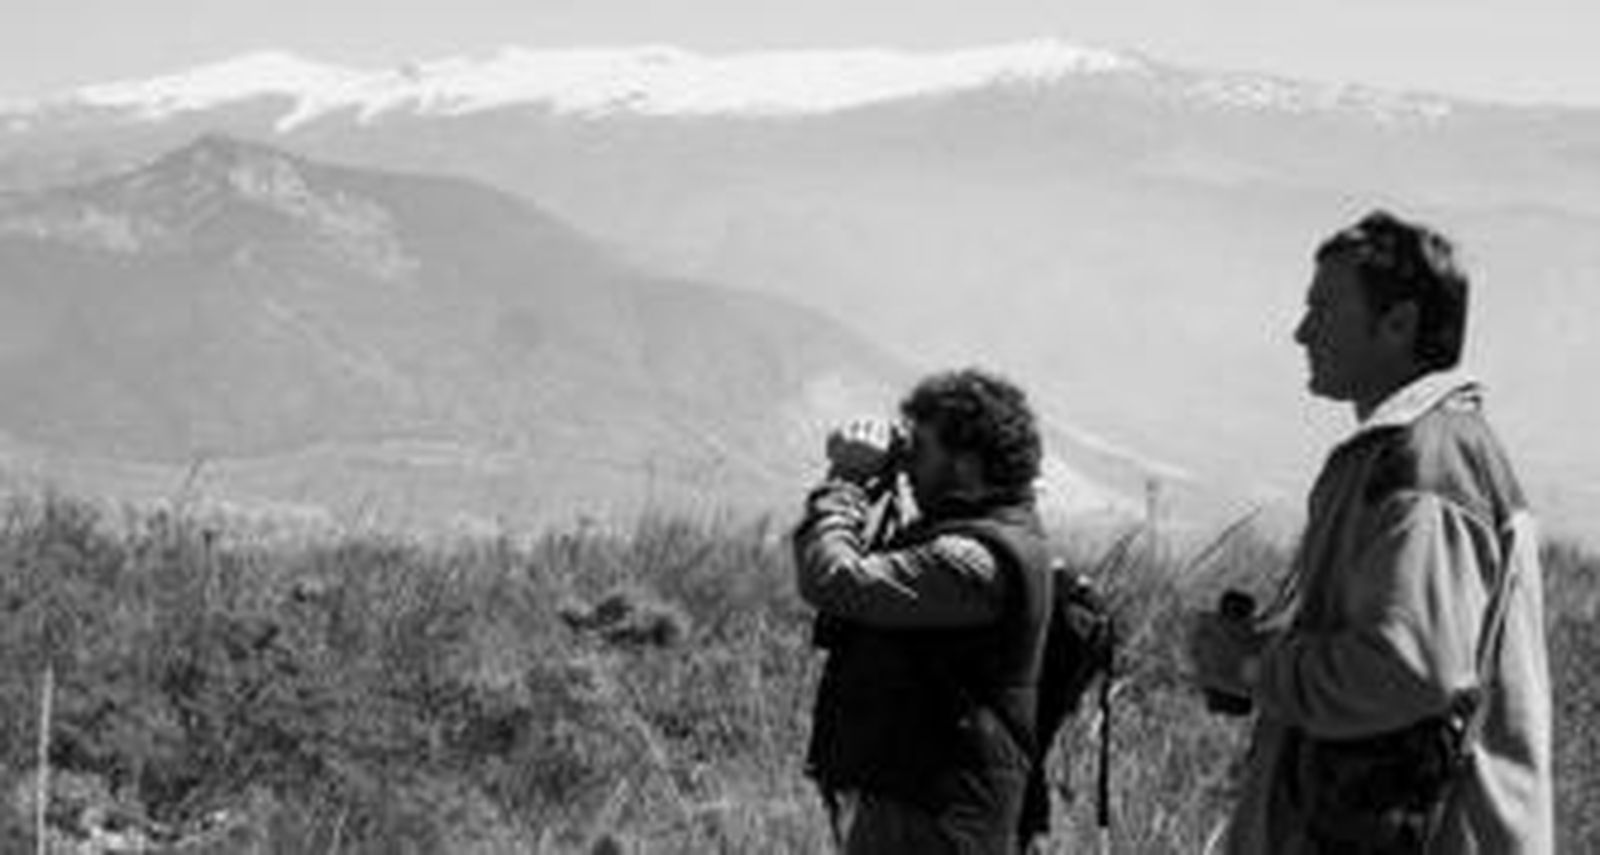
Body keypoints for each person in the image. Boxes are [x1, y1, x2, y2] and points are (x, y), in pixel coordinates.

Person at [1189, 210, 1553, 853]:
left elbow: (1408, 670)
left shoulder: (1428, 462)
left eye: (1323, 308)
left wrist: (1250, 665)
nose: (1302, 332)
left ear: (1399, 324)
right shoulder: (1415, 453)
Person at [793, 368, 1053, 854]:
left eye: (921, 449)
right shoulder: (992, 536)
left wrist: (845, 483)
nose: (909, 465)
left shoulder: (975, 560)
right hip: (931, 805)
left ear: (967, 462)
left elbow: (833, 579)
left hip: (939, 819)